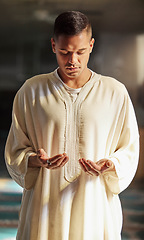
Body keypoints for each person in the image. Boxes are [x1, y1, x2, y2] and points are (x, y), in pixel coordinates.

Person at [5, 11, 139, 240]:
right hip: (44, 211)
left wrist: (111, 164)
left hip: (95, 211)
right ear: (53, 45)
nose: (72, 61)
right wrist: (36, 160)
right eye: (65, 52)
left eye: (80, 52)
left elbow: (129, 150)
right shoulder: (31, 92)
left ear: (92, 45)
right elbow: (15, 149)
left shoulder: (114, 93)